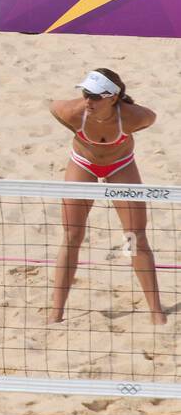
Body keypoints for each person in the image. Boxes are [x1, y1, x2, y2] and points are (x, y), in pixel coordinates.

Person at [48, 69, 166, 325]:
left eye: (95, 96)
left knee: (135, 236)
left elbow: (151, 118)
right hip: (83, 163)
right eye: (86, 93)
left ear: (113, 98)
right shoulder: (72, 112)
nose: (88, 100)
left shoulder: (134, 117)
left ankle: (156, 312)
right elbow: (52, 107)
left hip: (120, 164)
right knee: (72, 236)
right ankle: (55, 313)